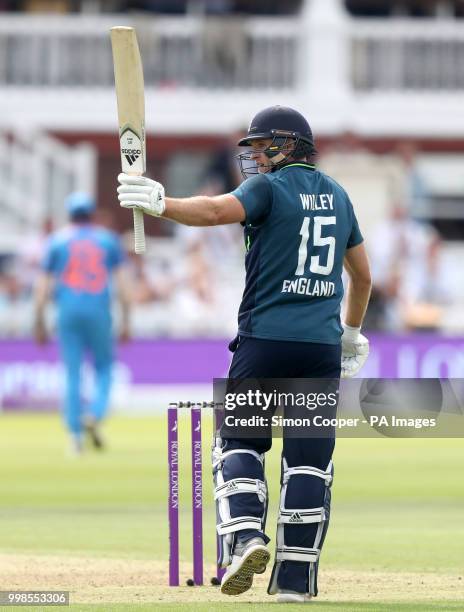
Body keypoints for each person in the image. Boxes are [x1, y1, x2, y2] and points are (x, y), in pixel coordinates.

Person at [117, 105, 372, 602]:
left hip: (265, 343)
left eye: (262, 145)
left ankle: (247, 538)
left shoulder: (267, 189)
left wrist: (159, 202)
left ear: (290, 144)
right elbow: (362, 276)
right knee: (310, 465)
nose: (254, 155)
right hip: (321, 350)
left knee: (237, 444)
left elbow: (213, 212)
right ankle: (295, 584)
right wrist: (351, 332)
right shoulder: (340, 197)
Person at [34, 192, 131, 455]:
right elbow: (123, 286)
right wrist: (127, 320)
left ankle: (74, 436)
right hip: (99, 311)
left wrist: (39, 322)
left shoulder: (56, 241)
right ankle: (95, 415)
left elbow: (42, 288)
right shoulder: (108, 240)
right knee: (104, 368)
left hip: (67, 312)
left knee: (72, 373)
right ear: (92, 214)